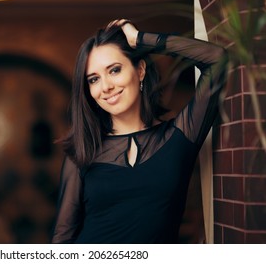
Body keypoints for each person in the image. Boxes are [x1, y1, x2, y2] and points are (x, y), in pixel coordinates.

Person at [51, 19, 228, 244]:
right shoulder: (84, 150)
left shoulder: (180, 135)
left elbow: (216, 60)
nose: (105, 86)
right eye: (94, 79)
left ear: (140, 70)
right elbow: (62, 236)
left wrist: (140, 39)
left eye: (114, 70)